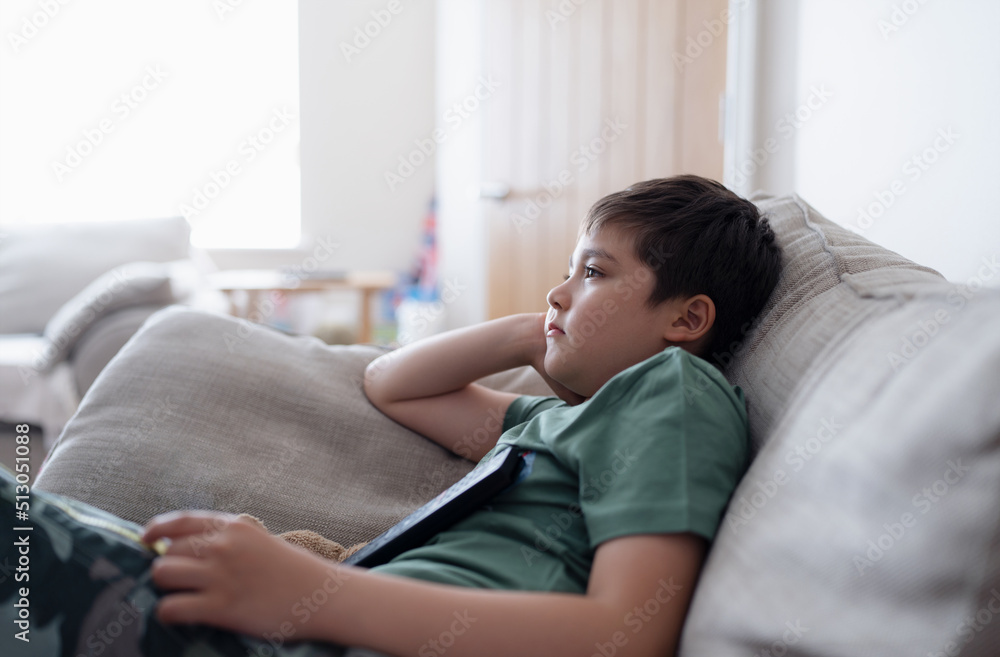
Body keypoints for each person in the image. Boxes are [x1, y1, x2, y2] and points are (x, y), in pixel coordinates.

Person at [1, 174, 782, 657]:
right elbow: (394, 384)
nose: (558, 290)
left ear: (686, 320)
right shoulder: (562, 422)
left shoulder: (672, 392)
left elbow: (627, 633)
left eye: (593, 272)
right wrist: (526, 331)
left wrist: (309, 592)